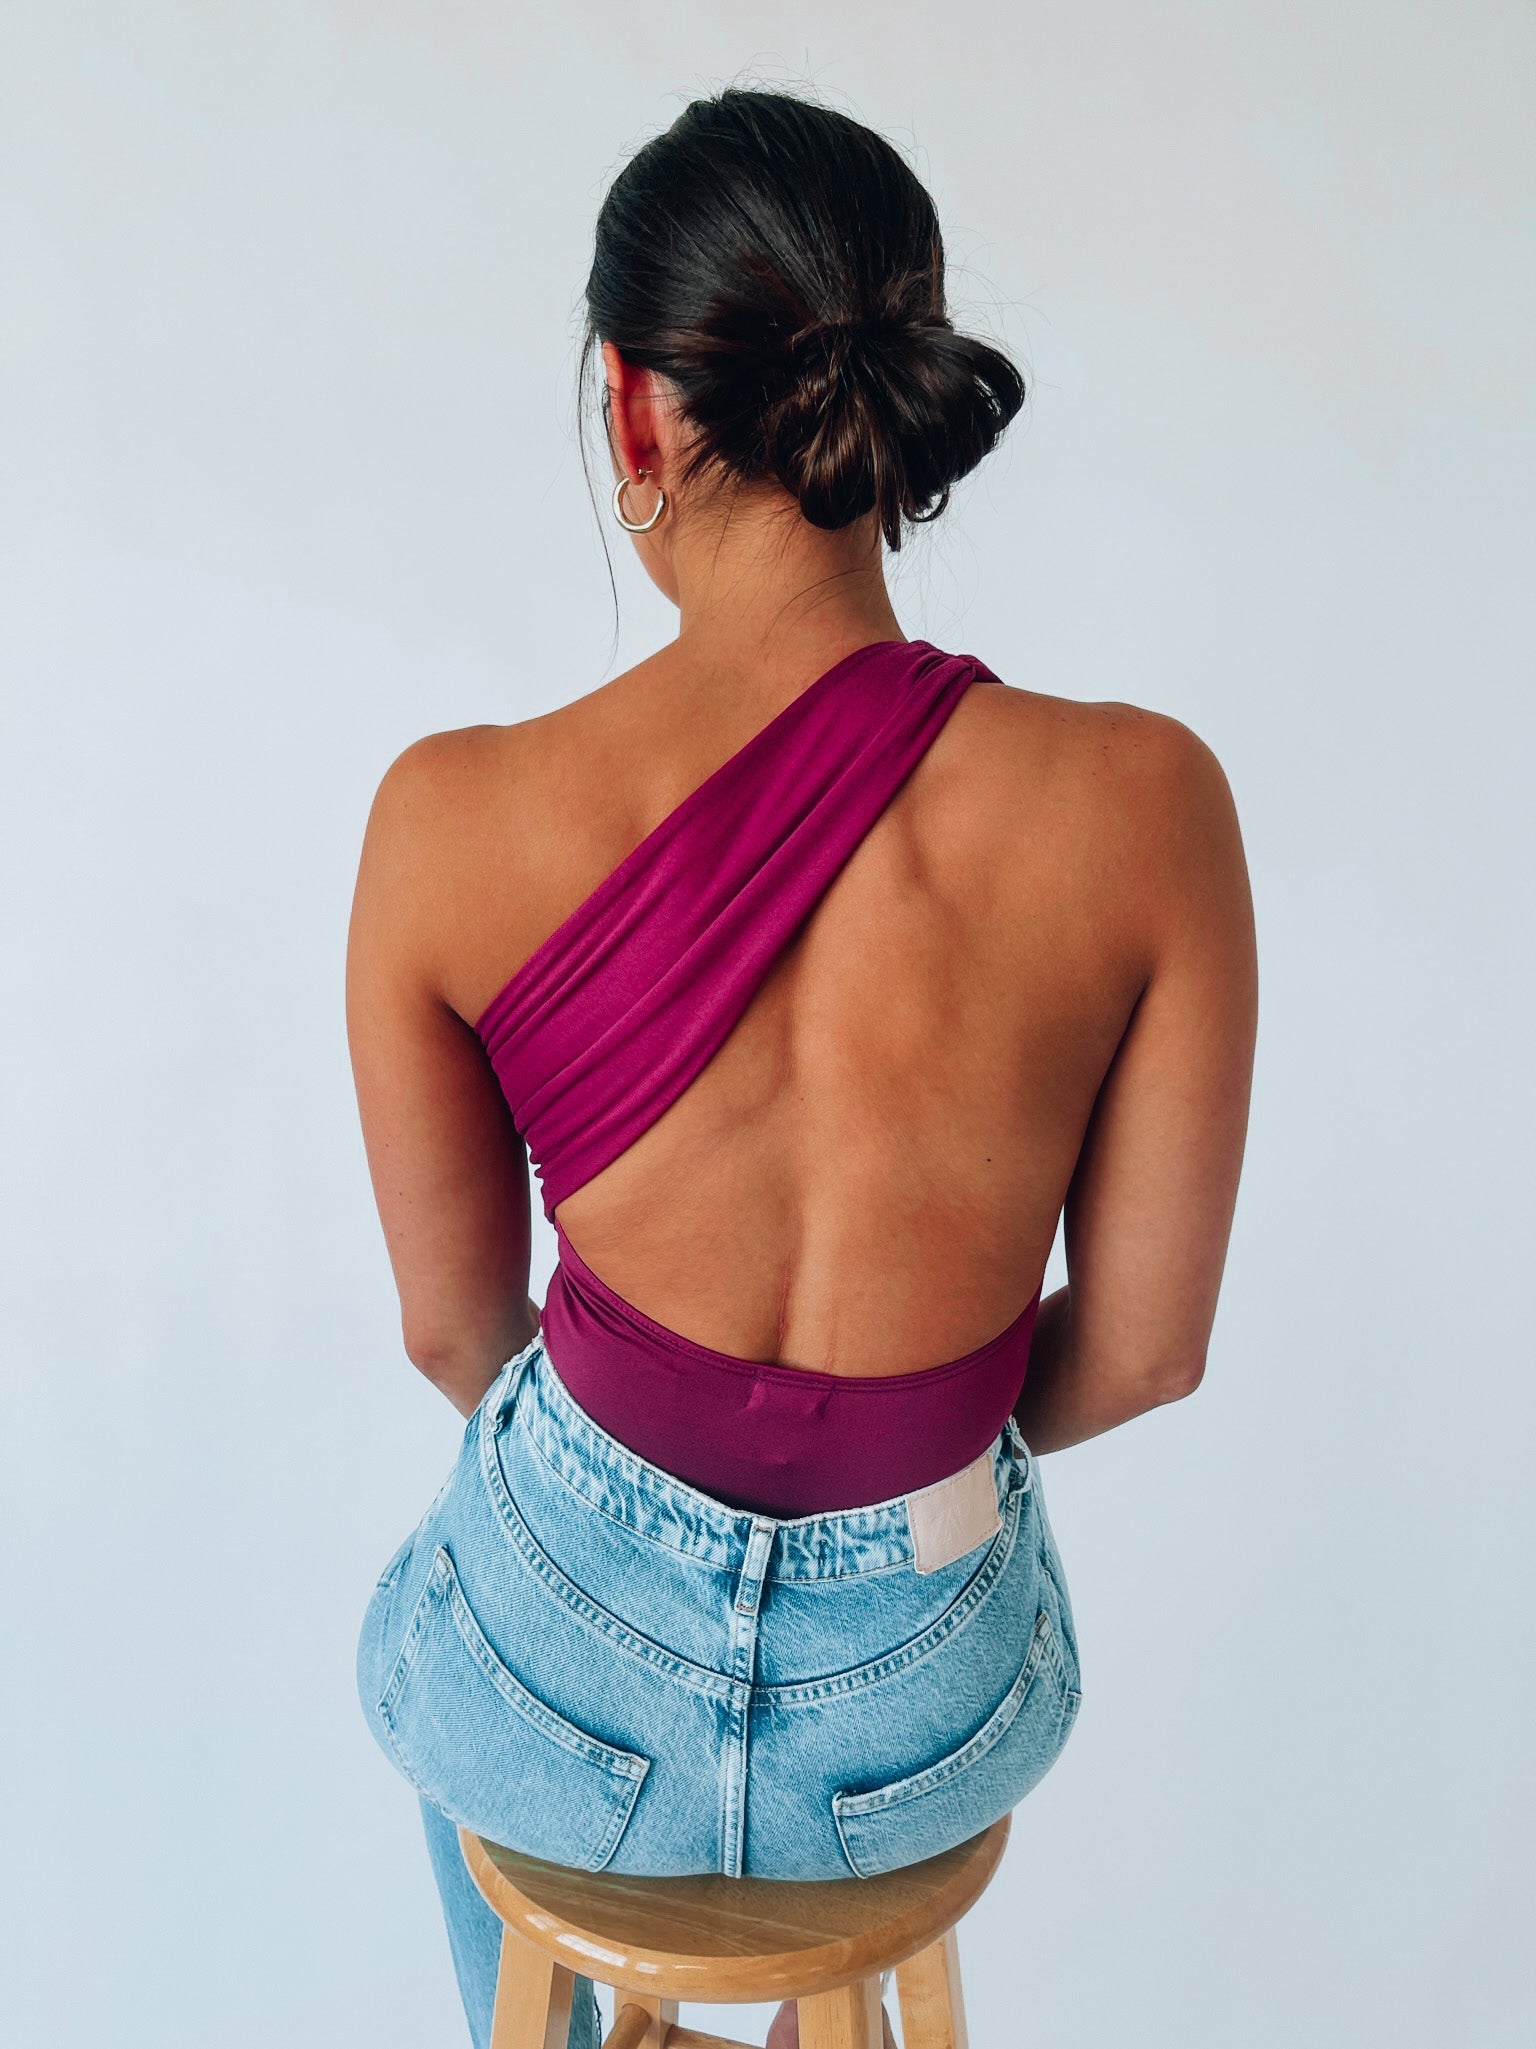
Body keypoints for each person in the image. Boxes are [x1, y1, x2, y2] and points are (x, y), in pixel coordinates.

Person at [346, 86, 1257, 2049]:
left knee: (440, 1648)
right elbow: (1150, 1351)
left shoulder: (448, 820)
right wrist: (884, 1471)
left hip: (563, 1698)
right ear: (902, 397)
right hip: (922, 1719)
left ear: (633, 413)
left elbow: (454, 1336)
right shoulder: (1147, 804)